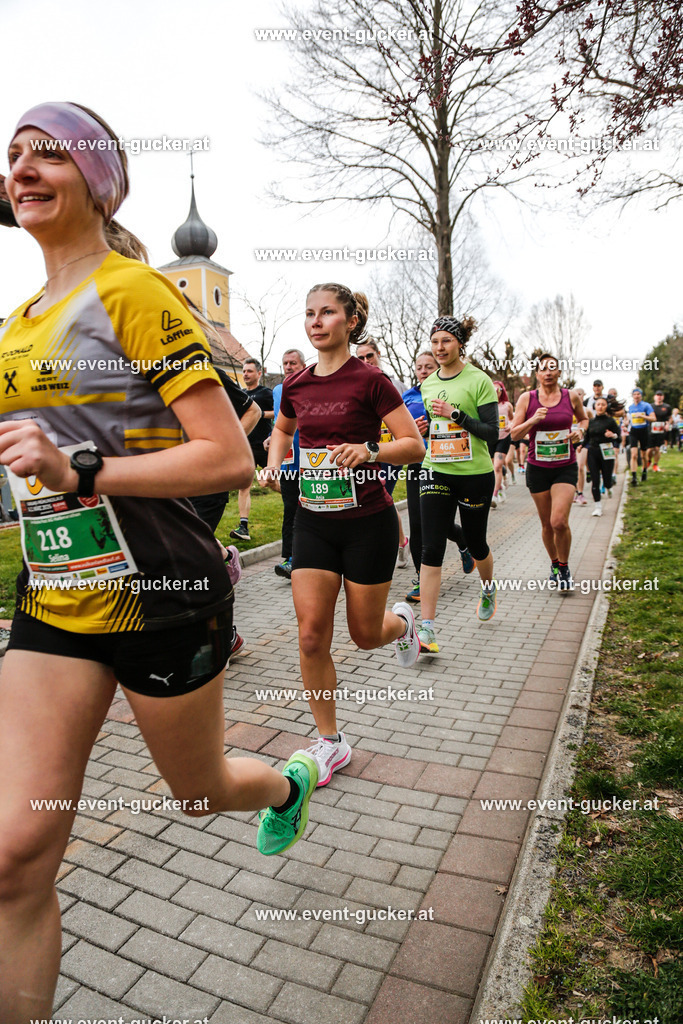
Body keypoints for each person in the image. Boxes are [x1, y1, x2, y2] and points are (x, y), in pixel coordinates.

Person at [0, 103, 318, 1023]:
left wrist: (82, 467)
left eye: (47, 152)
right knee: (16, 855)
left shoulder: (134, 291)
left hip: (164, 594)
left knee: (200, 793)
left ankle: (286, 779)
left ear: (99, 179)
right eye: (12, 154)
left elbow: (225, 458)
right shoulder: (20, 320)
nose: (22, 167)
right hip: (58, 598)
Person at [260, 284, 424, 786]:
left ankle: (403, 624)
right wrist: (273, 464)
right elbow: (283, 432)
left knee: (364, 636)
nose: (315, 321)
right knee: (311, 636)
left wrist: (369, 451)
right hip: (313, 520)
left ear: (350, 321)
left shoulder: (372, 381)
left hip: (367, 522)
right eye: (308, 313)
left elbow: (414, 445)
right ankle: (330, 742)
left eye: (326, 312)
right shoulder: (298, 384)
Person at [417, 316, 498, 652]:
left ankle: (488, 587)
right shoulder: (427, 384)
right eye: (435, 341)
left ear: (460, 343)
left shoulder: (480, 380)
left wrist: (456, 415)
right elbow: (436, 429)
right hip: (436, 469)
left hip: (475, 474)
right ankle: (427, 629)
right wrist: (425, 428)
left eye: (446, 341)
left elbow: (492, 433)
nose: (440, 348)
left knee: (477, 542)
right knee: (431, 547)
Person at [511, 354, 588, 591]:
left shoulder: (570, 396)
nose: (548, 372)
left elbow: (584, 420)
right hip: (538, 468)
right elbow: (514, 434)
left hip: (565, 466)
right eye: (543, 369)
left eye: (552, 368)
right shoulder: (527, 398)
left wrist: (580, 432)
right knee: (546, 523)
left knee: (559, 521)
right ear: (537, 374)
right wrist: (533, 420)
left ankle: (564, 568)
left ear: (559, 372)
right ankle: (554, 564)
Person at [355, 338, 409, 566]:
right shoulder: (355, 383)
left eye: (369, 356)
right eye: (360, 358)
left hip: (389, 454)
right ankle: (400, 542)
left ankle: (380, 548)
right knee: (375, 499)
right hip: (364, 453)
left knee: (382, 496)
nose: (366, 361)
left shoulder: (395, 385)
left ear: (379, 355)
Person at [270, 348, 307, 579]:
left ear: (302, 365)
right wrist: (270, 440)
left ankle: (304, 557)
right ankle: (290, 558)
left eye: (293, 363)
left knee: (309, 509)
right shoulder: (278, 390)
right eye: (285, 363)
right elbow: (279, 425)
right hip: (288, 461)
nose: (289, 367)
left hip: (312, 461)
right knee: (290, 509)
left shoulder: (309, 387)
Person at [229, 357, 273, 541]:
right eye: (244, 371)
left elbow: (279, 412)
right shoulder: (240, 394)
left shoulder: (266, 393)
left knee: (268, 482)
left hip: (265, 446)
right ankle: (243, 527)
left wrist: (259, 414)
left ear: (259, 373)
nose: (245, 374)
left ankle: (297, 501)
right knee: (243, 485)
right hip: (247, 447)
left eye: (249, 371)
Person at [585, 397, 620, 515]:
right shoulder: (591, 422)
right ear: (594, 407)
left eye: (603, 404)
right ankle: (598, 507)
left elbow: (619, 436)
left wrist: (613, 435)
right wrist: (581, 446)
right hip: (593, 452)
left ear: (607, 407)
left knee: (607, 478)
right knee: (595, 480)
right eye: (598, 404)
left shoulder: (610, 421)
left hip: (607, 450)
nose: (600, 406)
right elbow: (587, 438)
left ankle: (609, 487)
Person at [490, 381, 514, 508]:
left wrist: (510, 425)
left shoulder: (507, 405)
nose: (495, 392)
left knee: (498, 466)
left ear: (501, 391)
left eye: (498, 390)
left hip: (503, 437)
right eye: (492, 389)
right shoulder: (486, 405)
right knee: (491, 467)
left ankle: (494, 495)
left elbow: (512, 419)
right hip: (491, 438)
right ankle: (500, 486)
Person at [627, 387, 655, 485]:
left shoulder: (646, 406)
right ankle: (634, 477)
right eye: (635, 394)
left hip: (644, 431)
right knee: (634, 454)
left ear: (641, 395)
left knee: (643, 455)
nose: (636, 396)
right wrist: (627, 422)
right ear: (632, 396)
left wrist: (643, 416)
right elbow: (629, 420)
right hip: (634, 431)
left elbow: (653, 418)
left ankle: (644, 471)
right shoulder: (630, 407)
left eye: (638, 394)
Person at [572, 387, 590, 506]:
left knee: (579, 467)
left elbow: (592, 425)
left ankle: (580, 493)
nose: (578, 396)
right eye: (575, 394)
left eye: (580, 394)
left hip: (582, 442)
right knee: (571, 468)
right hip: (569, 442)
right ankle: (573, 491)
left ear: (583, 396)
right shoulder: (566, 409)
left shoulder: (587, 410)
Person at [649, 390, 672, 472]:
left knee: (657, 449)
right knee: (650, 449)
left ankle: (655, 464)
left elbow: (669, 418)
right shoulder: (650, 406)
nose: (659, 397)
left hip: (661, 430)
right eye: (657, 395)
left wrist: (668, 424)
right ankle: (649, 461)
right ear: (654, 397)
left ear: (663, 397)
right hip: (651, 430)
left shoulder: (667, 407)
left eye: (660, 395)